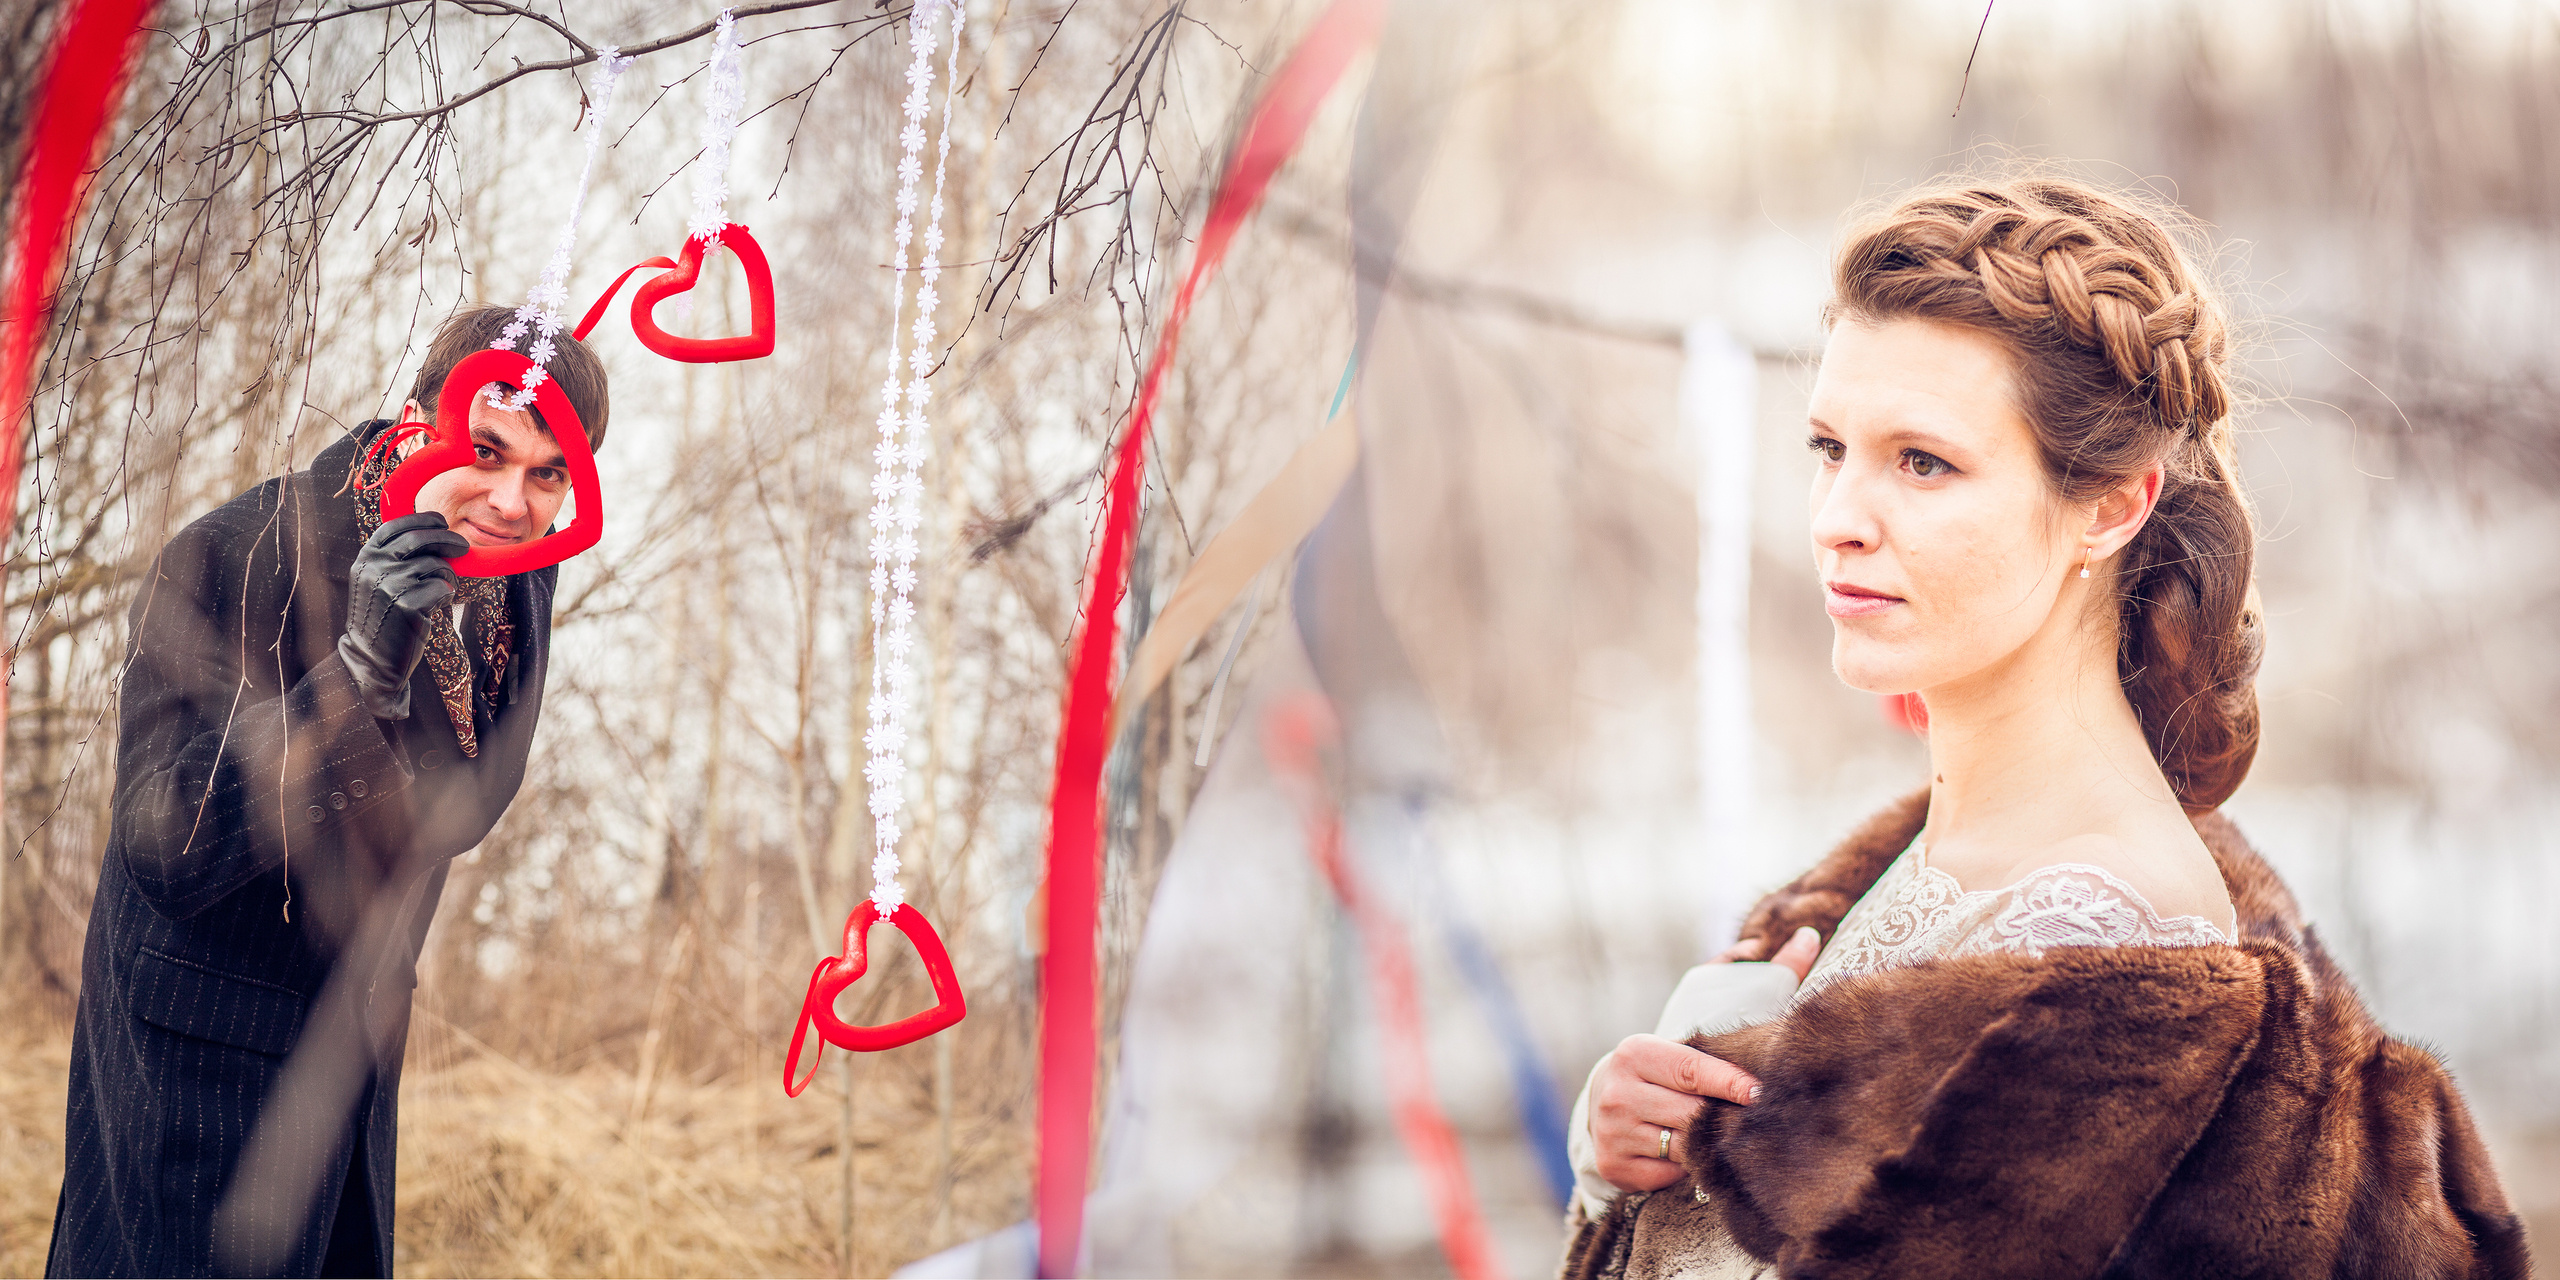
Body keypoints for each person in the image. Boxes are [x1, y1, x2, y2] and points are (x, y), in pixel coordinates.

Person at [1560, 177, 2528, 1279]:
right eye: (1830, 448)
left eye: (1922, 462)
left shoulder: (2102, 943)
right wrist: (1620, 1158)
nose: (1837, 522)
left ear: (2112, 504)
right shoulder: (1915, 856)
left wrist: (1716, 1193)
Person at [47, 305, 609, 1278]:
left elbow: (470, 791)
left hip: (350, 1059)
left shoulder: (517, 578)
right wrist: (358, 672)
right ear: (411, 423)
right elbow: (166, 850)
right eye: (486, 448)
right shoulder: (238, 555)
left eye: (549, 472)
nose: (513, 499)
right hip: (198, 1049)